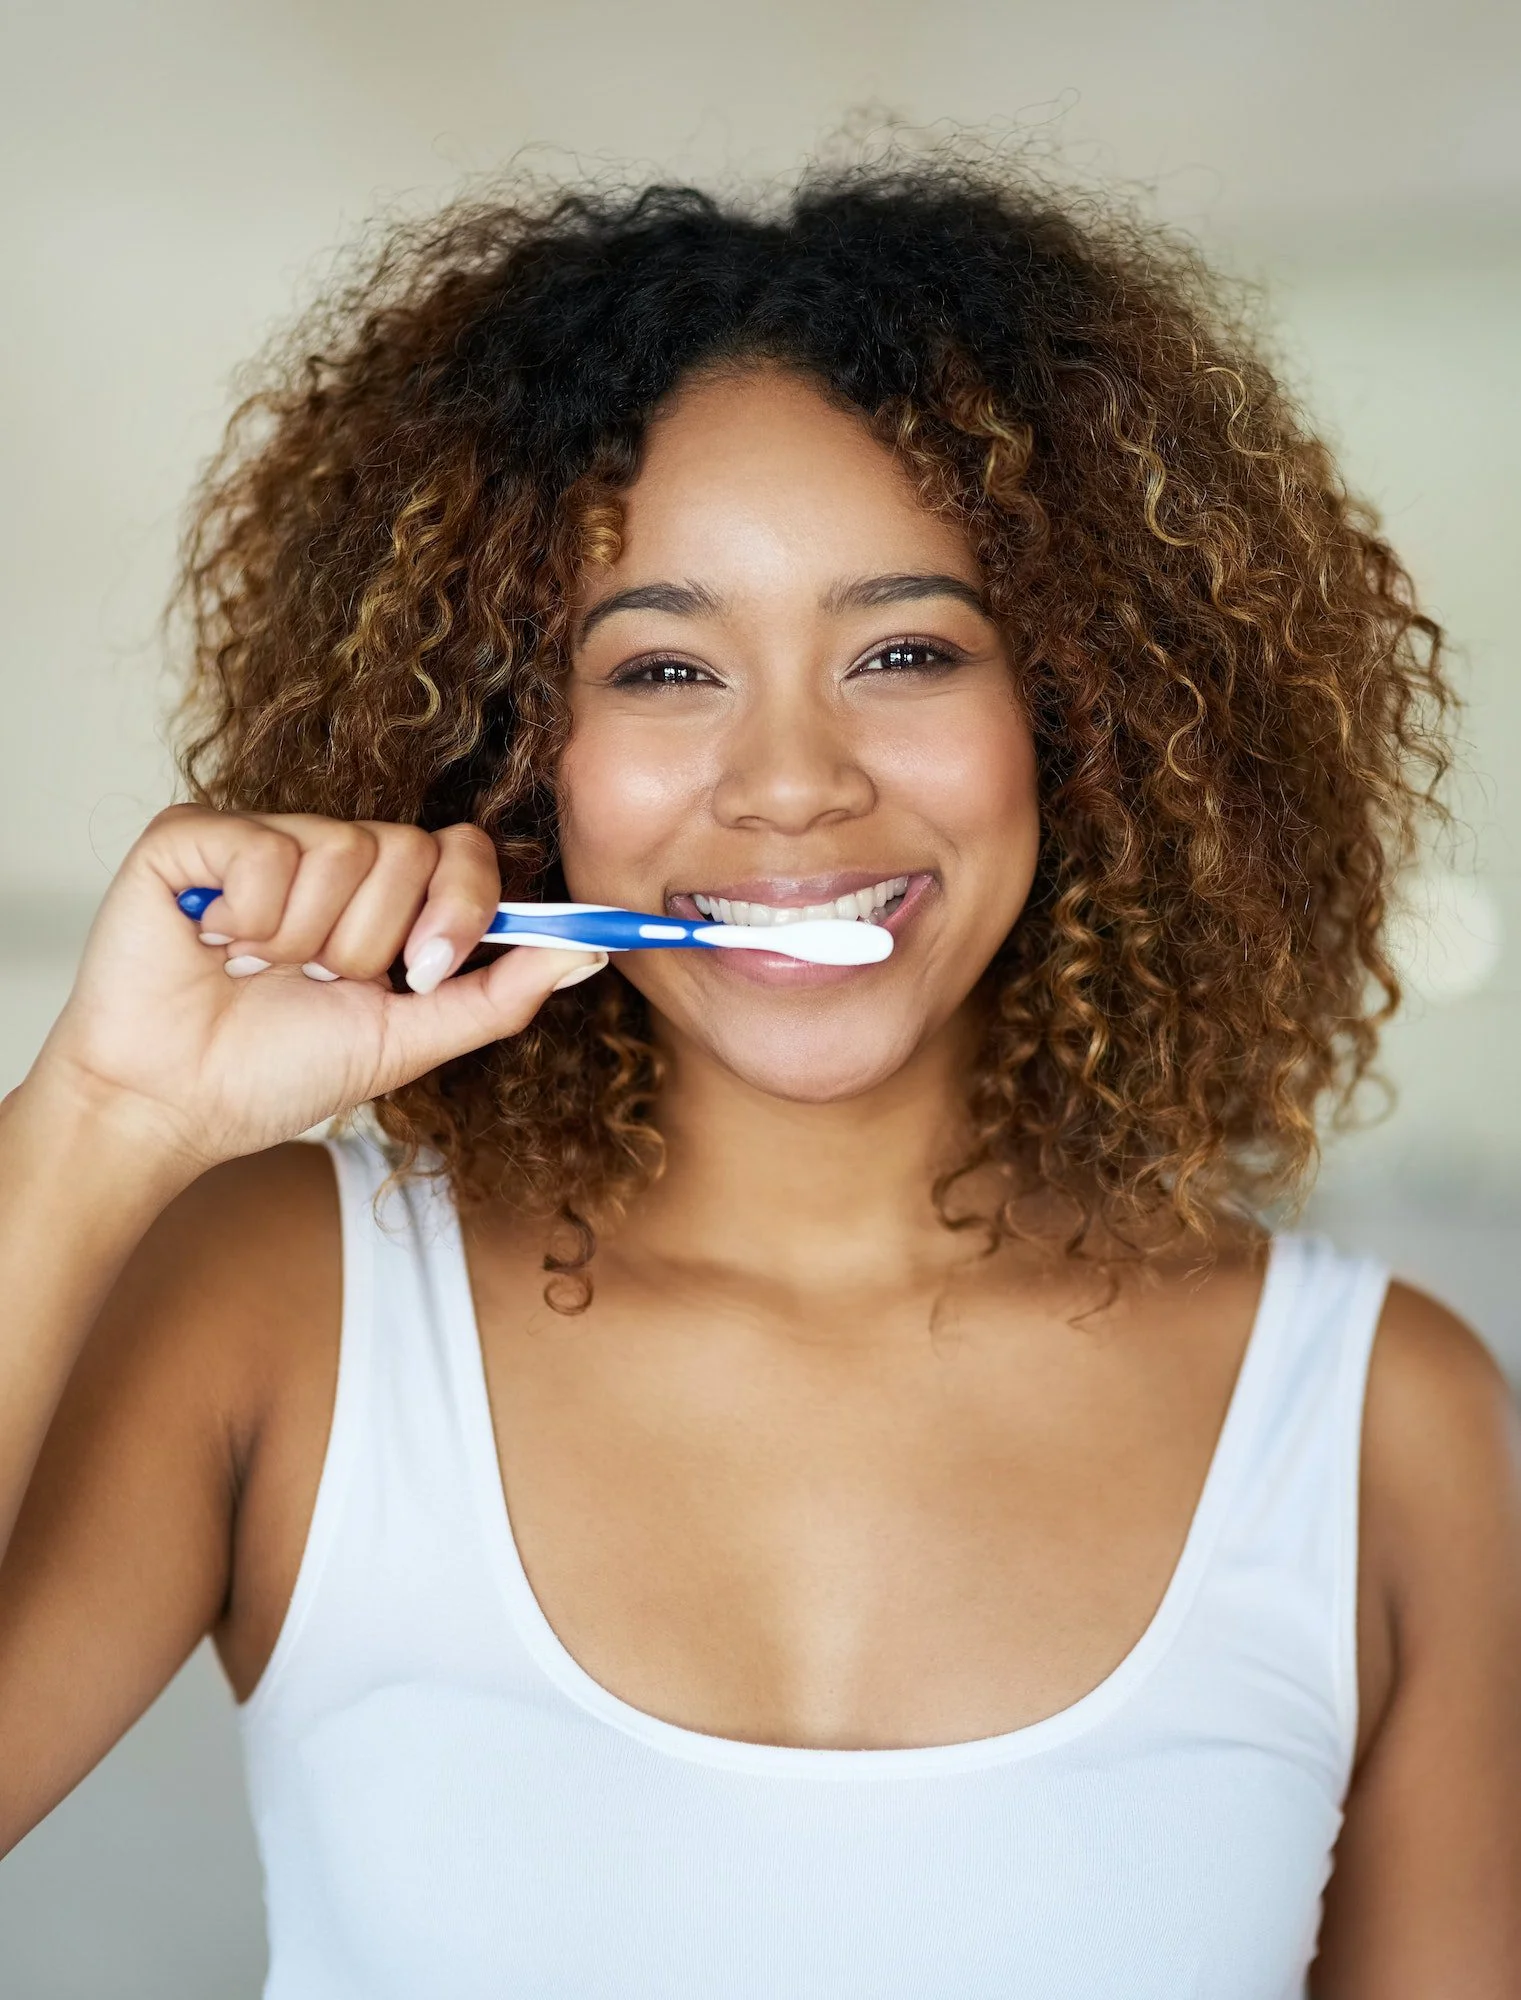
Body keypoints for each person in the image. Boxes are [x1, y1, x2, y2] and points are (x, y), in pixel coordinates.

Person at [1, 152, 1517, 1999]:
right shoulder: (281, 1307)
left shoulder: (1381, 1424)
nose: (792, 780)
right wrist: (106, 1116)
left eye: (903, 648)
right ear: (511, 753)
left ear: (1084, 725)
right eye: (659, 671)